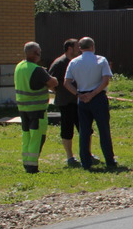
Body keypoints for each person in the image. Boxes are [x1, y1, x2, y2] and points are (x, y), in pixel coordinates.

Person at [64, 36, 117, 170]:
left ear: (80, 48)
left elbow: (66, 82)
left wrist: (78, 94)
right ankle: (109, 160)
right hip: (98, 97)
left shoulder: (74, 62)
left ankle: (85, 162)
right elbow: (105, 80)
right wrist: (93, 94)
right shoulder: (101, 60)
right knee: (104, 129)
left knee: (84, 131)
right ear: (93, 47)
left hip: (82, 98)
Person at [14, 42, 57, 174]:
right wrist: (50, 76)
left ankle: (26, 162)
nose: (40, 54)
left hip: (23, 108)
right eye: (39, 52)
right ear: (35, 53)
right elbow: (53, 84)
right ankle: (32, 166)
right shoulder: (37, 70)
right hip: (37, 109)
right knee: (37, 137)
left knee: (26, 136)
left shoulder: (19, 66)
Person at [47, 38, 82, 167]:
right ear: (69, 49)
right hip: (66, 102)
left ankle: (87, 153)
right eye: (77, 47)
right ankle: (70, 157)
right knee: (67, 130)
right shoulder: (59, 63)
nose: (79, 49)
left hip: (79, 101)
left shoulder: (78, 61)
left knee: (85, 129)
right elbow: (50, 82)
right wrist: (60, 91)